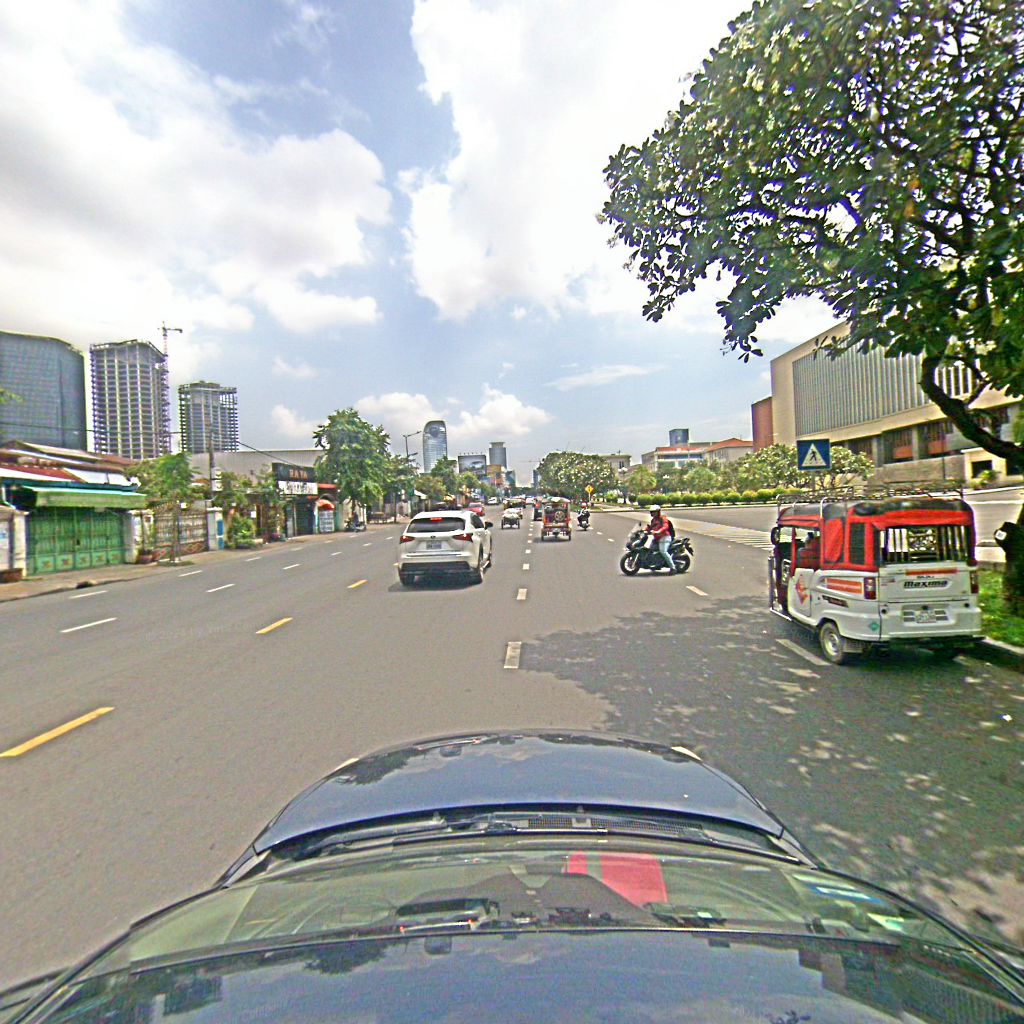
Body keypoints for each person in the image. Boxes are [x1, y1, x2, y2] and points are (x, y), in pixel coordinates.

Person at [646, 505, 675, 573]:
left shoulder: (663, 518)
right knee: (650, 550)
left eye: (654, 512)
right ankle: (656, 564)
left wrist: (659, 531)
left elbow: (665, 526)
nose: (653, 513)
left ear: (658, 512)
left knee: (663, 551)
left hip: (665, 537)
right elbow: (650, 527)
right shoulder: (653, 520)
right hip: (657, 538)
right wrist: (644, 530)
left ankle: (673, 568)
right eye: (652, 512)